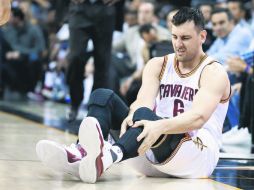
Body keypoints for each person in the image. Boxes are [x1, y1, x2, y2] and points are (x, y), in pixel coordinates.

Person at [36, 7, 231, 183]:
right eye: (174, 37)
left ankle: (107, 156)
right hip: (150, 150)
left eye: (185, 38)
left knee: (145, 118)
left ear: (203, 36)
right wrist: (131, 116)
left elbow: (197, 118)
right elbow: (142, 103)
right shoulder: (158, 64)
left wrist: (156, 125)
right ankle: (81, 154)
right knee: (103, 96)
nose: (178, 44)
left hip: (195, 157)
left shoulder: (213, 72)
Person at [66, 0, 123, 122]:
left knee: (102, 62)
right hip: (80, 8)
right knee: (75, 57)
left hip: (104, 8)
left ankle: (95, 109)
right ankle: (75, 101)